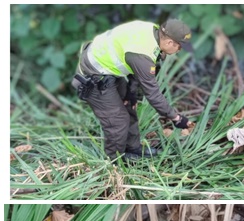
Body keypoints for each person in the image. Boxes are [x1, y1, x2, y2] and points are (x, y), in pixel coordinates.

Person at [72, 19, 193, 163]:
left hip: (110, 68)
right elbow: (153, 94)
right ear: (168, 43)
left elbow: (137, 69)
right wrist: (176, 118)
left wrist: (131, 92)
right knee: (118, 120)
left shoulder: (153, 33)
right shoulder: (142, 55)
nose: (179, 51)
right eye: (179, 47)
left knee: (129, 107)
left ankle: (132, 148)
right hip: (93, 74)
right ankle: (114, 160)